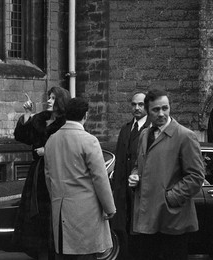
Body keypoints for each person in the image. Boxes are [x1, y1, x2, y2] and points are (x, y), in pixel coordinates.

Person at [129, 89, 205, 260]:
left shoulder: (185, 136)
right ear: (148, 111)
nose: (161, 113)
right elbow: (138, 165)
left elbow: (196, 176)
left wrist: (170, 198)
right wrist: (135, 176)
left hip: (173, 219)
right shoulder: (144, 135)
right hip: (148, 218)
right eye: (156, 110)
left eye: (165, 108)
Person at [44, 97, 116, 260]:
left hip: (60, 211)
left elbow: (48, 177)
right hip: (85, 214)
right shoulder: (89, 140)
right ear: (86, 115)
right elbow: (100, 178)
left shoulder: (51, 141)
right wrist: (110, 208)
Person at [13, 86, 71, 260]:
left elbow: (69, 148)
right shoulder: (40, 119)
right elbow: (23, 137)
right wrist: (28, 114)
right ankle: (40, 253)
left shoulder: (66, 124)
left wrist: (48, 151)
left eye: (53, 98)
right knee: (35, 217)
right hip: (37, 175)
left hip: (55, 174)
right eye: (49, 97)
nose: (49, 101)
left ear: (60, 102)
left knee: (51, 217)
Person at [111, 92, 150, 260]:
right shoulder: (126, 129)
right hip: (123, 192)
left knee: (141, 238)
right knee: (123, 234)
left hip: (141, 192)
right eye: (134, 104)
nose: (137, 108)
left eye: (141, 104)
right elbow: (119, 160)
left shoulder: (151, 129)